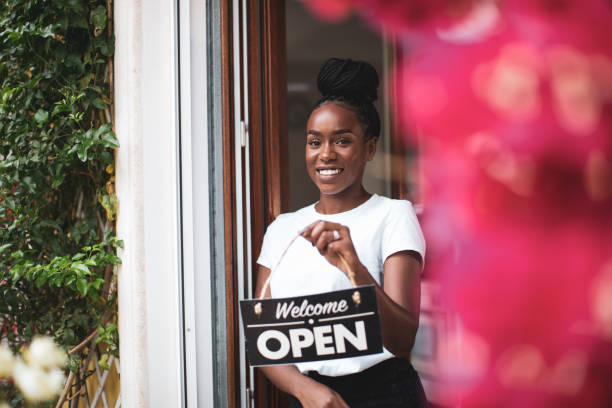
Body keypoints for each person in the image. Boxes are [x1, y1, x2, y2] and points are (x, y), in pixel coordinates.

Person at [255, 57, 428, 408]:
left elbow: (402, 339)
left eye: (342, 141)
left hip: (385, 395)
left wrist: (354, 268)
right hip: (310, 397)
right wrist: (308, 391)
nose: (325, 154)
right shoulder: (282, 229)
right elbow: (263, 338)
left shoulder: (393, 215)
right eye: (315, 142)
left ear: (369, 148)